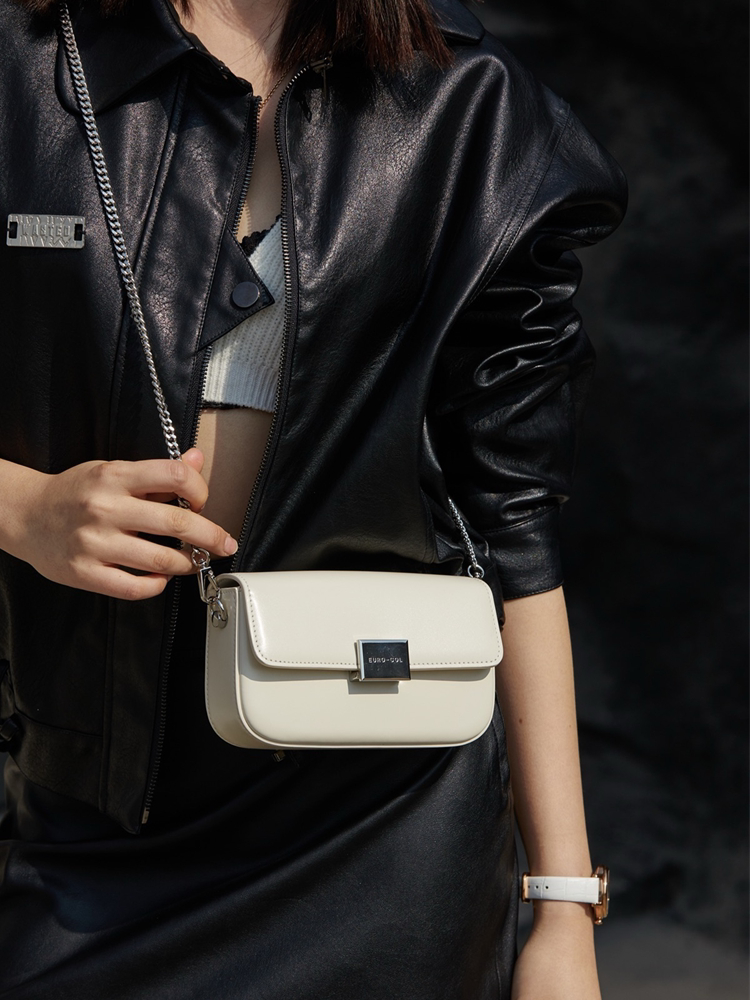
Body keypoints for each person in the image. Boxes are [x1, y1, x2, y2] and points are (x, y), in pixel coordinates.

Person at [0, 0, 627, 996]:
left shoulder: (468, 104)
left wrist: (560, 905)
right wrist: (23, 511)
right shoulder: (30, 60)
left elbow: (512, 525)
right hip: (88, 806)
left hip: (386, 815)